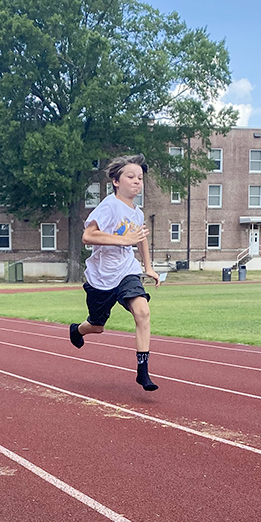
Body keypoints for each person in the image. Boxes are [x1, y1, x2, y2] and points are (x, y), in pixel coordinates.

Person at [68, 154, 161, 390]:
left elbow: (140, 240)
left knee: (142, 312)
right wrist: (122, 239)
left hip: (126, 271)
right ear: (116, 181)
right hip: (101, 277)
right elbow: (88, 236)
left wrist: (148, 267)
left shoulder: (138, 212)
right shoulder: (109, 205)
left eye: (140, 178)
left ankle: (143, 371)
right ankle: (77, 330)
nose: (137, 181)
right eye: (131, 177)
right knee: (97, 326)